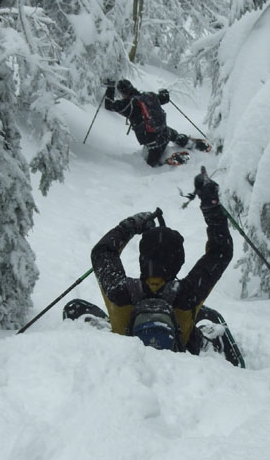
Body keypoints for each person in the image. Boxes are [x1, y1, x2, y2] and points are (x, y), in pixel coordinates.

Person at [63, 172, 245, 367]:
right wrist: (211, 208)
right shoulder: (189, 294)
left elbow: (102, 252)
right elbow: (220, 252)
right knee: (193, 329)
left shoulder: (119, 291)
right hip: (180, 360)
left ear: (142, 259)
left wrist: (133, 224)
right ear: (179, 262)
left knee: (94, 314)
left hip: (127, 364)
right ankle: (203, 344)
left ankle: (111, 331)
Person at [103, 78, 211, 167]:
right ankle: (191, 143)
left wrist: (110, 87)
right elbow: (165, 98)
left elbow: (108, 105)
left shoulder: (128, 105)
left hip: (152, 142)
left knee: (151, 165)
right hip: (164, 132)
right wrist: (164, 92)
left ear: (122, 92)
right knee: (174, 135)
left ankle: (167, 161)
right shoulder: (149, 96)